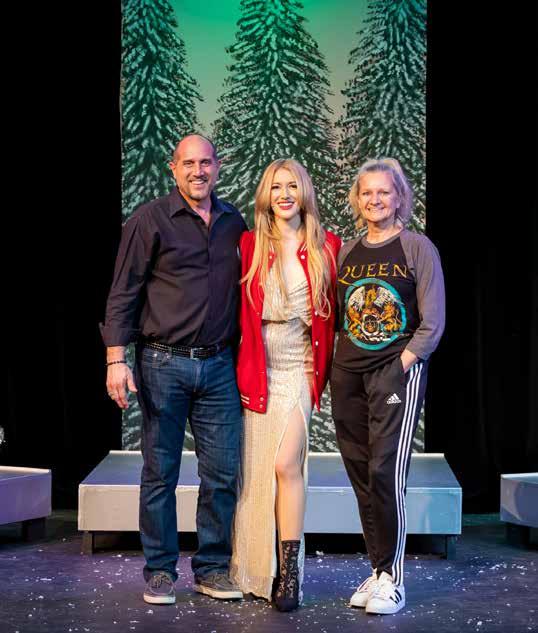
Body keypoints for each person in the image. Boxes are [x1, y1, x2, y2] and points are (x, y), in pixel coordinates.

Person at [100, 134, 247, 605]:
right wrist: (116, 359)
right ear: (173, 168)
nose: (197, 171)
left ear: (217, 166)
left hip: (219, 365)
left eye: (205, 163)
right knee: (160, 472)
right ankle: (161, 571)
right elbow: (123, 291)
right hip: (162, 362)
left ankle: (213, 568)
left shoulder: (233, 221)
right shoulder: (149, 220)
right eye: (188, 163)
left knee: (222, 474)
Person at [331, 158, 445, 615]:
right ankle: (378, 569)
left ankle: (393, 578)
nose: (374, 200)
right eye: (367, 193)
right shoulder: (347, 252)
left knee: (385, 472)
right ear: (357, 200)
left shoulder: (417, 247)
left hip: (394, 373)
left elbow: (432, 324)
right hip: (348, 376)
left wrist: (399, 366)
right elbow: (340, 316)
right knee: (362, 473)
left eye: (384, 192)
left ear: (399, 197)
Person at [231, 159, 341, 611]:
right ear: (266, 195)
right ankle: (262, 570)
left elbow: (337, 315)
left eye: (292, 185)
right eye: (276, 186)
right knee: (258, 474)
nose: (284, 194)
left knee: (285, 463)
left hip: (300, 368)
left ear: (304, 191)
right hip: (260, 371)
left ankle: (291, 573)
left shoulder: (327, 246)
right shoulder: (250, 245)